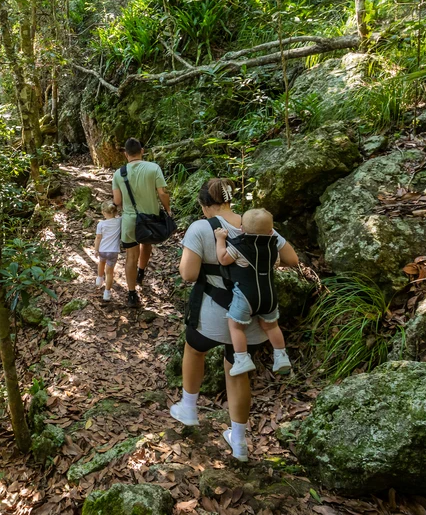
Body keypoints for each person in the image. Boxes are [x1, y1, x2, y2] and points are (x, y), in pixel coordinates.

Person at [169, 178, 300, 462]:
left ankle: (188, 408)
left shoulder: (201, 228)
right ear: (230, 200)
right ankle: (239, 441)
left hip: (214, 315)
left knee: (194, 348)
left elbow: (188, 275)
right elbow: (291, 259)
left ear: (205, 205)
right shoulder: (259, 226)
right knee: (238, 372)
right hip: (253, 316)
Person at [214, 208, 292, 376]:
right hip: (269, 296)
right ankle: (281, 355)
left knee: (236, 327)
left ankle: (242, 358)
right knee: (271, 326)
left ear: (241, 229)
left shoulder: (239, 246)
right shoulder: (273, 248)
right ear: (272, 231)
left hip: (246, 296)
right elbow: (276, 264)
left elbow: (223, 259)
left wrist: (220, 239)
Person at [111, 137, 170, 308]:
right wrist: (168, 210)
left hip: (130, 221)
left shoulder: (118, 173)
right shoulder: (153, 168)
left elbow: (117, 201)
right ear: (142, 151)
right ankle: (141, 273)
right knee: (147, 243)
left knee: (131, 257)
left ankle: (131, 294)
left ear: (125, 154)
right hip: (150, 220)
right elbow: (163, 193)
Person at [93, 201, 121, 303]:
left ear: (104, 212)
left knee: (101, 262)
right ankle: (107, 293)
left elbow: (98, 237)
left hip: (103, 249)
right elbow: (120, 216)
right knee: (109, 273)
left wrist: (96, 249)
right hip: (113, 251)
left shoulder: (101, 224)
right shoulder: (119, 221)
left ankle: (99, 278)